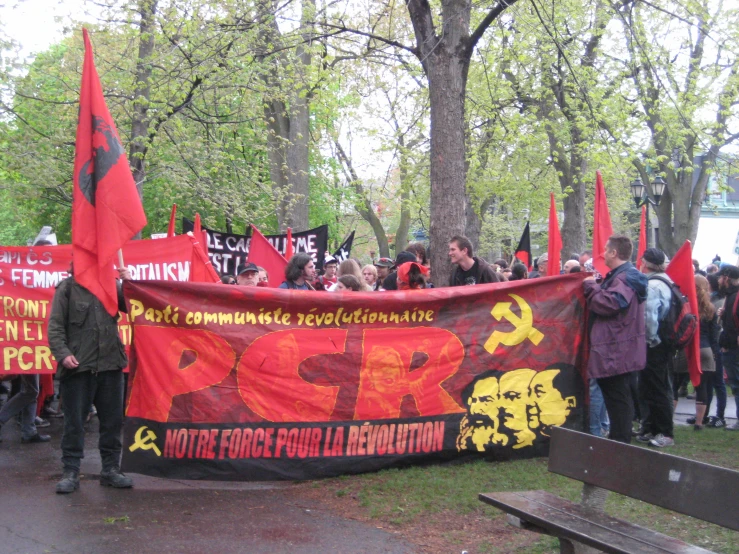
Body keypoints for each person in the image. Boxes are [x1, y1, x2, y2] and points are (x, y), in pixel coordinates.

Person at [47, 264, 134, 494]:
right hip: (78, 369)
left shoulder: (112, 286)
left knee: (112, 423)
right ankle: (71, 472)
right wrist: (63, 355)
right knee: (74, 423)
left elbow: (134, 308)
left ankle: (111, 470)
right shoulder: (66, 289)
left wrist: (128, 284)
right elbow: (55, 327)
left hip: (110, 366)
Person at [583, 235, 648, 444]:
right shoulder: (624, 277)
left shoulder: (625, 278)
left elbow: (610, 303)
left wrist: (591, 287)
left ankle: (620, 442)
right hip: (618, 348)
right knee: (617, 397)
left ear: (614, 252)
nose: (603, 254)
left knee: (618, 398)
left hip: (616, 350)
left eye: (605, 249)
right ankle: (619, 439)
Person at [637, 247, 676, 447]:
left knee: (657, 388)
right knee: (652, 386)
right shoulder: (667, 281)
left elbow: (649, 316)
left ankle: (665, 432)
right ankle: (651, 428)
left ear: (645, 262)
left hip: (655, 344)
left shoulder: (652, 285)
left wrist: (649, 340)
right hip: (664, 341)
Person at [688, 275, 719, 430]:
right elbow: (714, 335)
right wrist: (714, 352)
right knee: (703, 387)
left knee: (674, 384)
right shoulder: (711, 308)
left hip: (688, 348)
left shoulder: (687, 305)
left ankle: (669, 420)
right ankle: (699, 422)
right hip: (705, 349)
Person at [716, 264, 739, 430]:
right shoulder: (730, 295)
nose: (719, 280)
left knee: (737, 384)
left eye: (721, 277)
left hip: (734, 348)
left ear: (727, 278)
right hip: (730, 346)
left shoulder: (735, 295)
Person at [705, 273, 727, 427]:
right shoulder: (713, 300)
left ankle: (720, 416)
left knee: (718, 382)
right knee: (709, 382)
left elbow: (717, 327)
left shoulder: (719, 302)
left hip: (716, 345)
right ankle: (704, 414)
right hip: (713, 344)